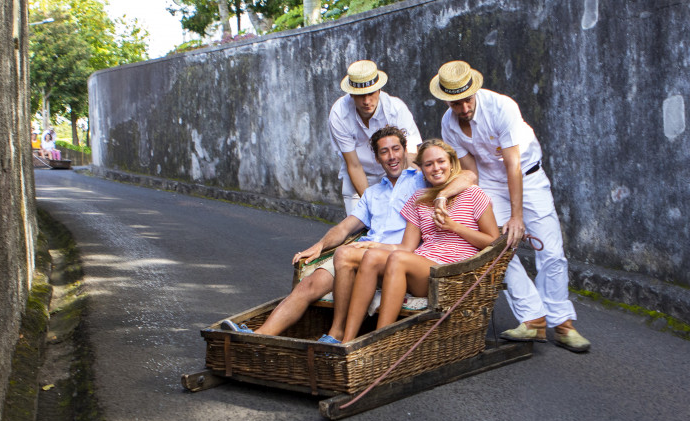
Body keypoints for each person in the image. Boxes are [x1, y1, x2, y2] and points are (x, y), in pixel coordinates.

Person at [220, 127, 475, 337]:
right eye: (384, 152)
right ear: (377, 158)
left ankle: (338, 333)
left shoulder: (420, 180)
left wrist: (441, 196)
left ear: (405, 151)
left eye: (396, 149)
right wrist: (320, 245)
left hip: (392, 257)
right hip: (361, 251)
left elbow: (468, 176)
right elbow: (345, 227)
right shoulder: (373, 193)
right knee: (308, 284)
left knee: (344, 254)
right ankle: (257, 336)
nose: (391, 156)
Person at [431, 60, 590, 352]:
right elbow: (471, 174)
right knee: (496, 247)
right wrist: (444, 195)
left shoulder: (501, 107)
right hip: (490, 184)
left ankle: (564, 325)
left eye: (466, 100)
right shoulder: (448, 124)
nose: (463, 108)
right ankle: (533, 319)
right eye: (455, 103)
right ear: (446, 100)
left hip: (527, 177)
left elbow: (513, 164)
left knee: (552, 251)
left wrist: (517, 216)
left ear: (474, 90)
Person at [327, 139, 500, 344]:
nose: (435, 168)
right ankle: (347, 341)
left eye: (440, 162)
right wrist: (375, 245)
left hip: (452, 272)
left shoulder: (473, 194)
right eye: (428, 164)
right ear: (422, 170)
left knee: (399, 259)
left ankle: (380, 342)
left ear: (452, 163)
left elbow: (493, 242)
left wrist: (454, 227)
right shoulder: (419, 198)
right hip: (422, 269)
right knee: (372, 256)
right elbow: (406, 247)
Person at [329, 60, 422, 217]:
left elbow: (410, 155)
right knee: (360, 227)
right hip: (358, 175)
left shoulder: (396, 109)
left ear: (379, 90)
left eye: (371, 94)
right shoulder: (339, 114)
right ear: (351, 94)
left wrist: (409, 189)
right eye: (360, 96)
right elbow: (354, 165)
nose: (366, 101)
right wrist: (371, 205)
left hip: (395, 172)